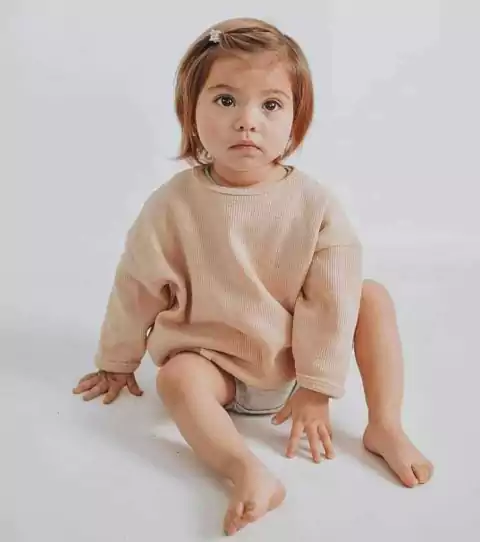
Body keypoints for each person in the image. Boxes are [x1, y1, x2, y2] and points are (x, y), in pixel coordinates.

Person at [73, 17, 433, 536]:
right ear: (190, 114)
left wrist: (316, 386)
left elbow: (331, 299)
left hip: (294, 366)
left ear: (295, 120)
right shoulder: (172, 205)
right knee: (176, 377)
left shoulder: (313, 203)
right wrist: (117, 359)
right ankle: (245, 470)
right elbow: (137, 287)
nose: (247, 121)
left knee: (371, 296)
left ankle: (385, 426)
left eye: (271, 105)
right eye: (225, 100)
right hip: (215, 367)